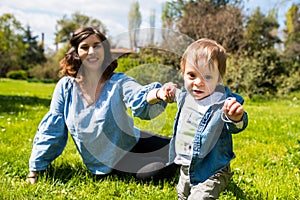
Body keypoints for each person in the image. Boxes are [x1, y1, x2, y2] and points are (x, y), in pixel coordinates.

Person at [27, 26, 177, 184]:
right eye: (85, 47)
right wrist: (34, 170)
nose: (91, 51)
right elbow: (51, 130)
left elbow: (137, 96)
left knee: (181, 147)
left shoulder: (118, 81)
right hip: (113, 162)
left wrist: (159, 93)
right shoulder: (66, 87)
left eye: (96, 46)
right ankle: (177, 164)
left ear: (104, 50)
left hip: (134, 140)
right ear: (76, 53)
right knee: (152, 172)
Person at [167, 38, 248, 199]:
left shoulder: (224, 101)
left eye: (207, 77)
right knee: (182, 196)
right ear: (183, 72)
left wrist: (236, 117)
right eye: (192, 75)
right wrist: (167, 90)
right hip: (185, 166)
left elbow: (237, 125)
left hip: (213, 169)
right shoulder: (185, 95)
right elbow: (173, 94)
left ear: (219, 78)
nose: (198, 83)